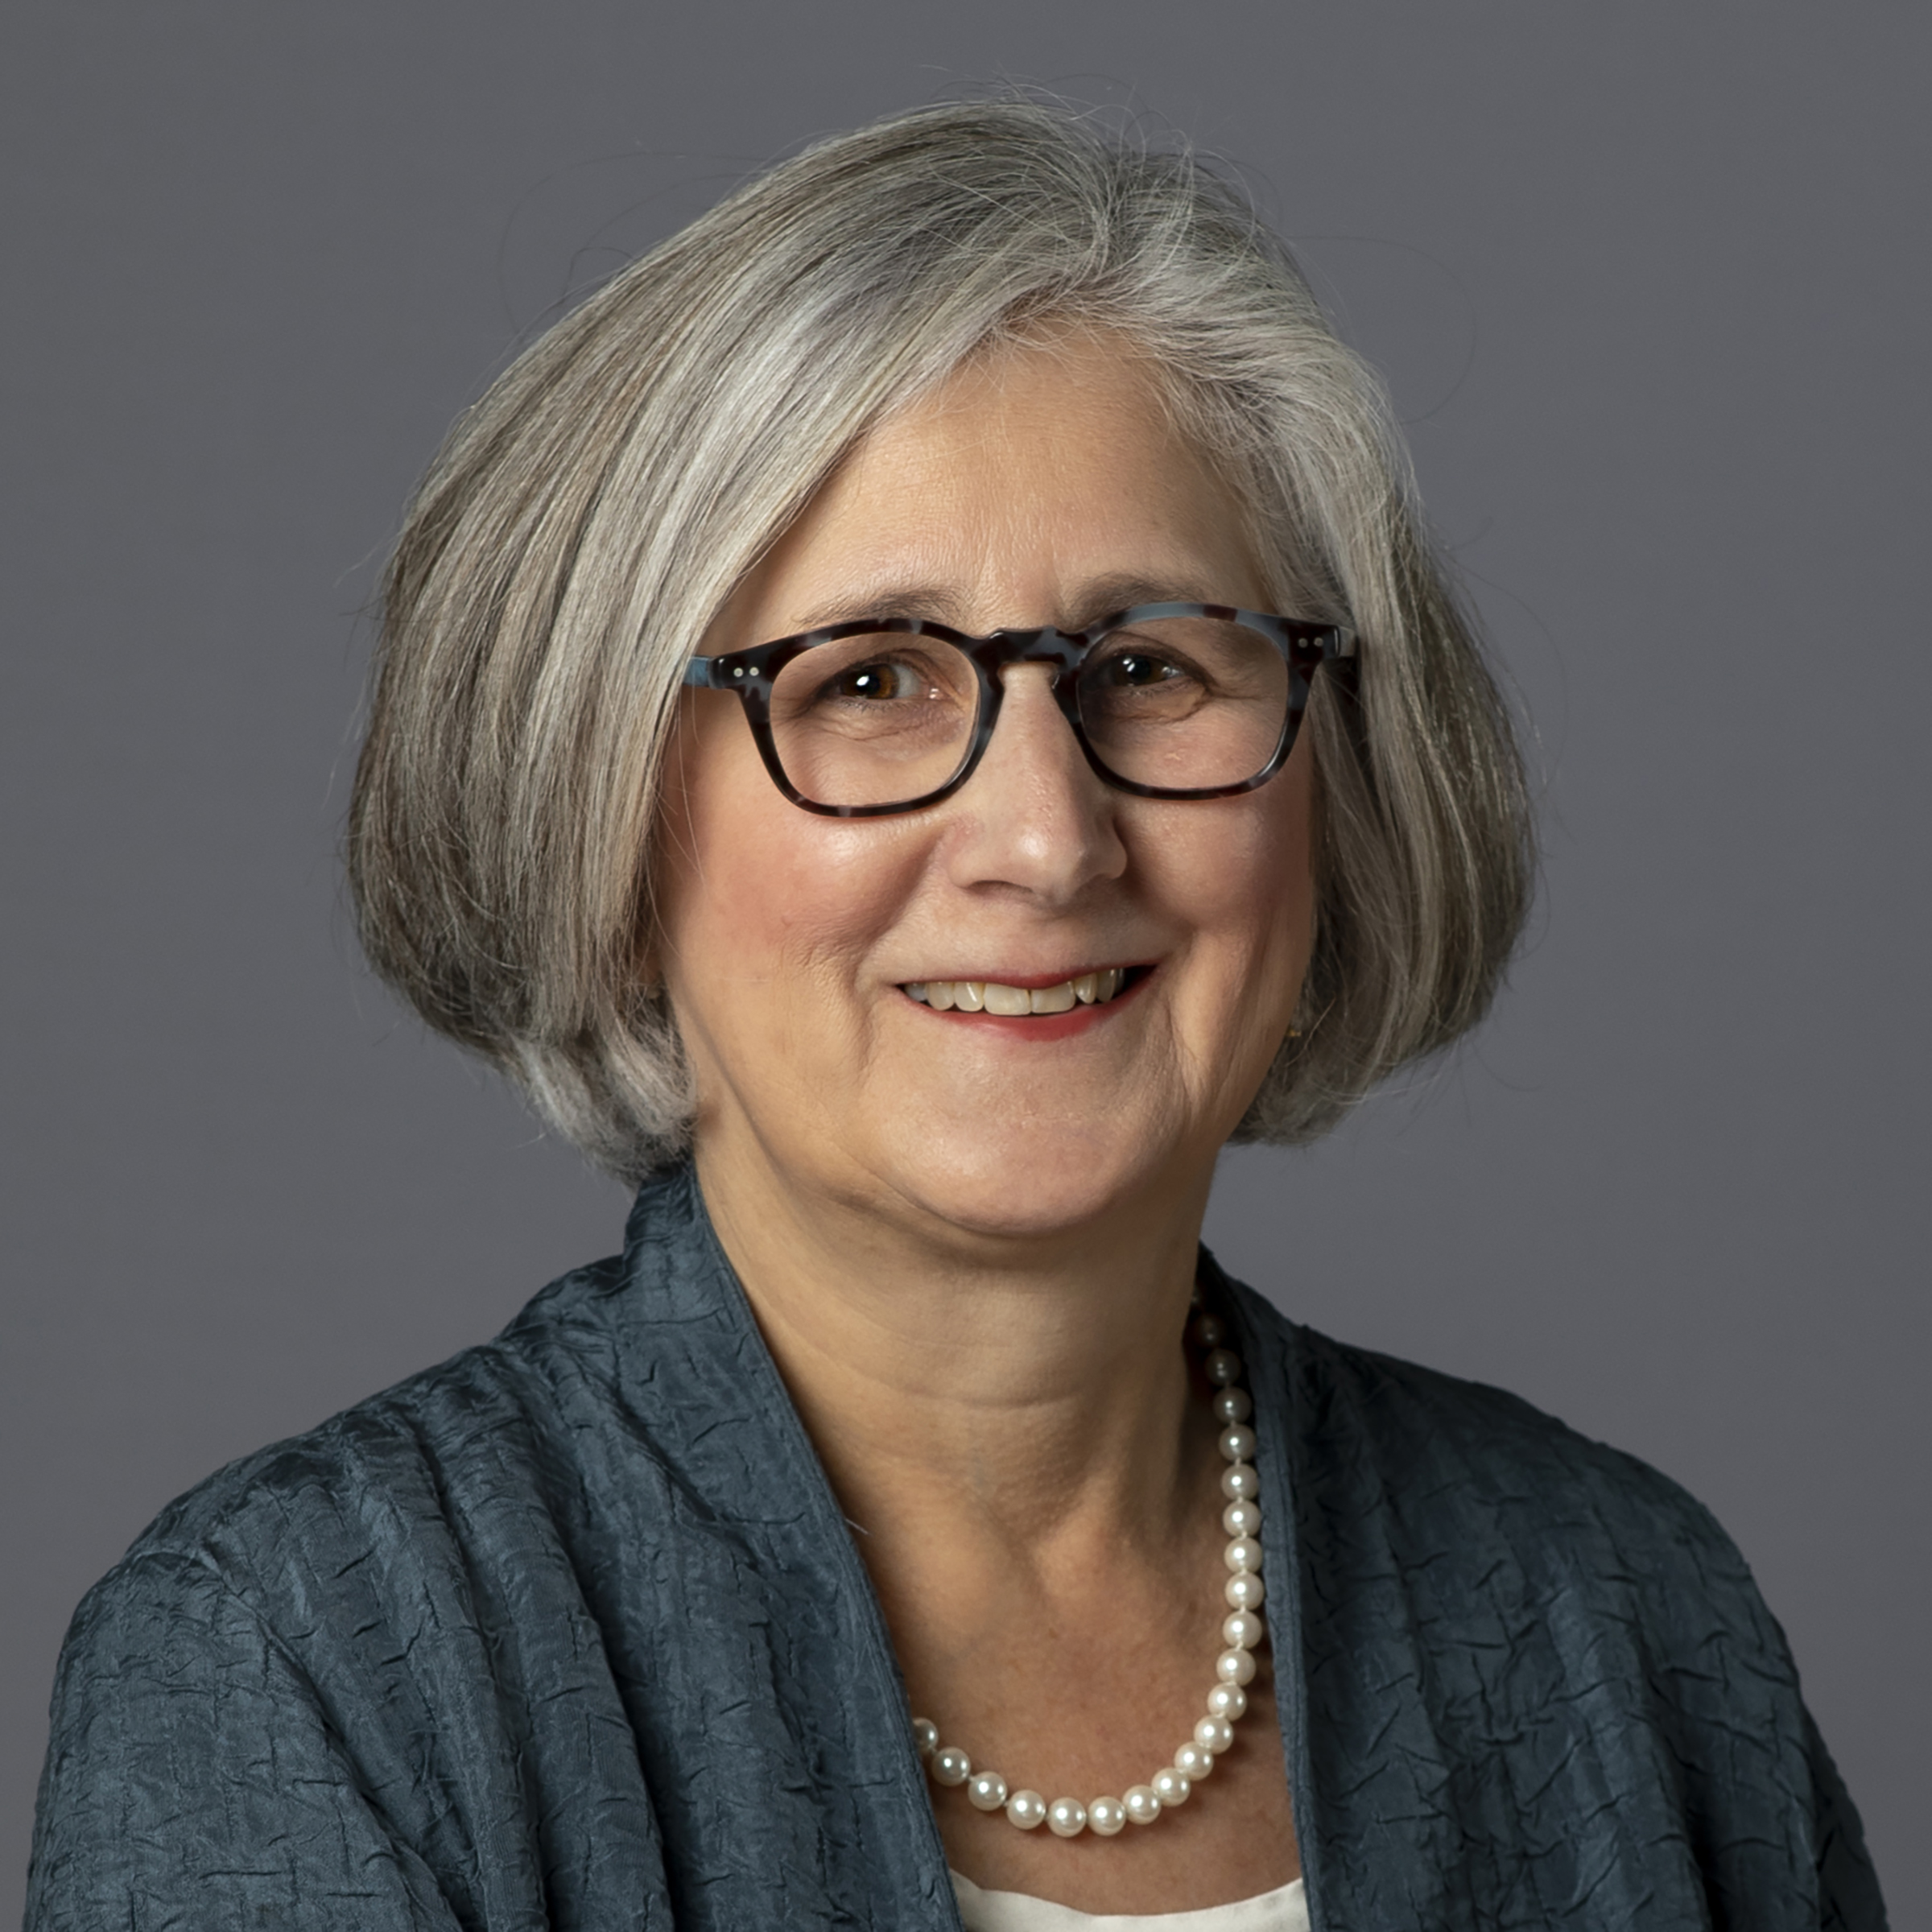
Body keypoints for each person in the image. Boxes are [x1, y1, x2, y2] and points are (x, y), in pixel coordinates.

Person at [25, 100, 1885, 1932]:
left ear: (1337, 775)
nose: (1045, 838)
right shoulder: (309, 1664)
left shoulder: (1627, 1620)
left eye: (1149, 665)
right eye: (869, 682)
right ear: (603, 812)